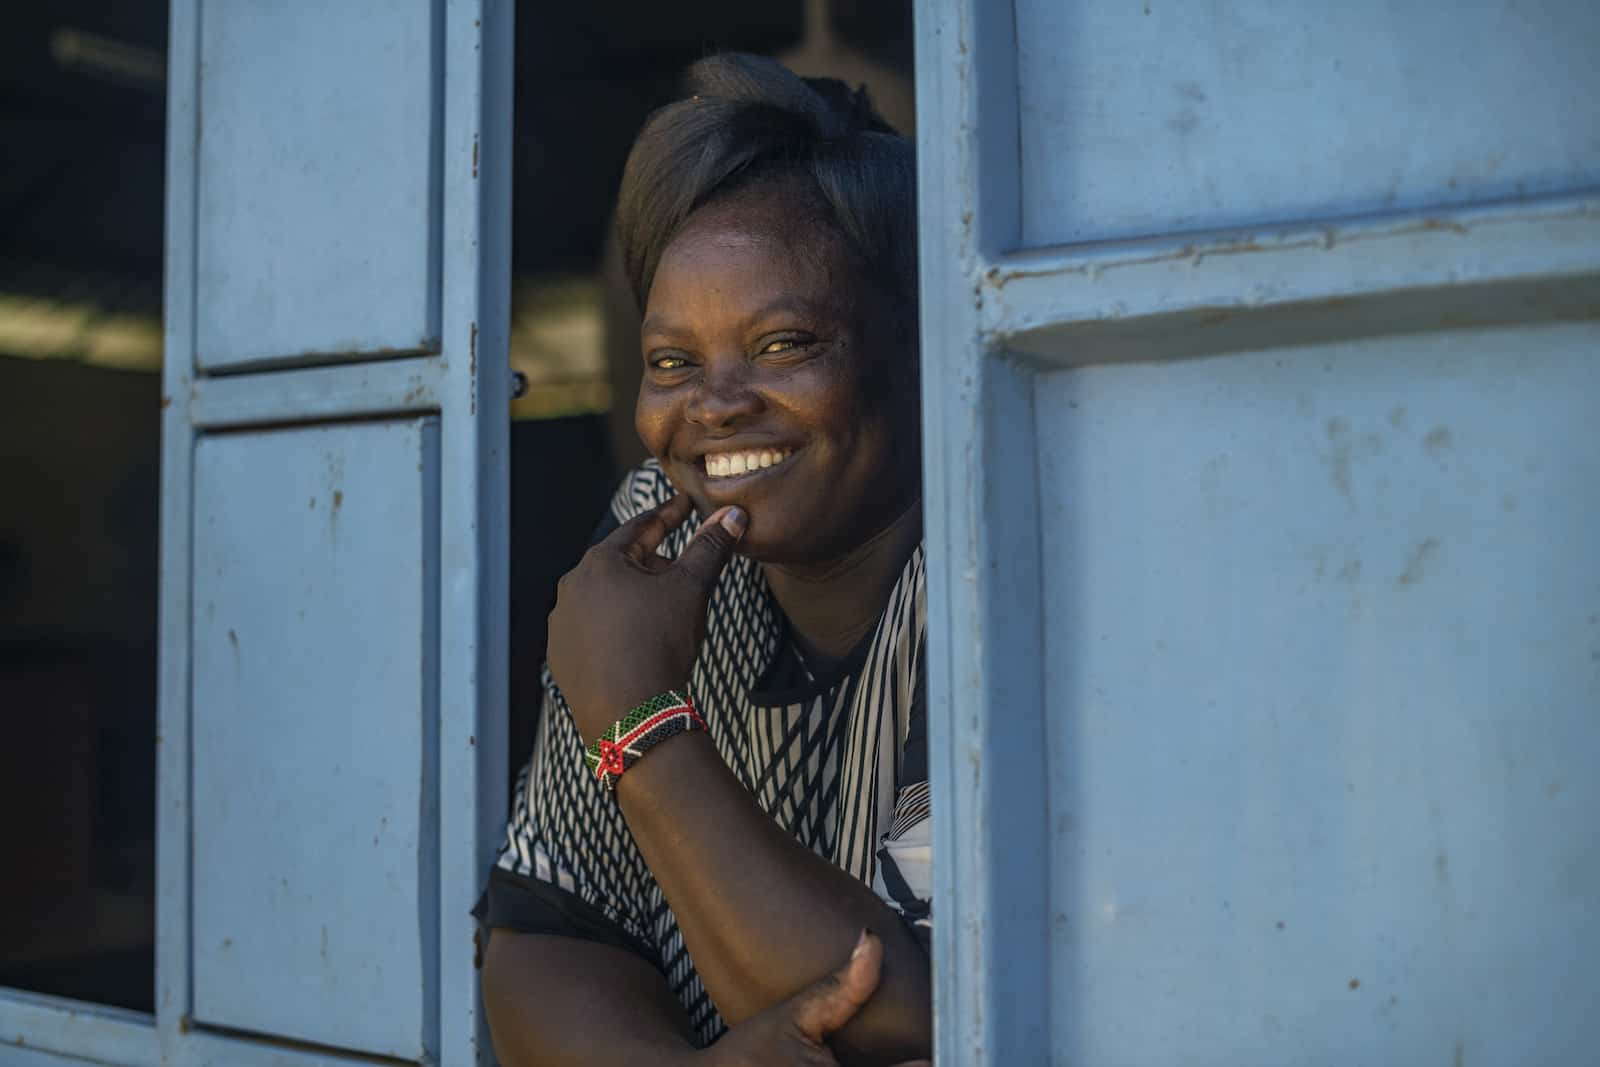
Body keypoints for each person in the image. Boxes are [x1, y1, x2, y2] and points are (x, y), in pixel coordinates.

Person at [478, 53, 932, 1067]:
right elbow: (540, 942)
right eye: (672, 363)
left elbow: (906, 1020)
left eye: (782, 343)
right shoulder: (656, 530)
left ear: (916, 352)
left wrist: (640, 723)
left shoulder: (990, 563)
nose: (714, 405)